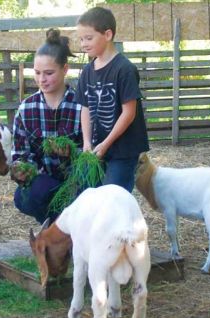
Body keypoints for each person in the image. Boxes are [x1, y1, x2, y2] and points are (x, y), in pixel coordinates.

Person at [10, 28, 82, 224]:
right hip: (45, 182)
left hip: (77, 182)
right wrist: (21, 169)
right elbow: (20, 153)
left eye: (49, 73)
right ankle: (56, 228)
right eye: (37, 73)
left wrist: (72, 152)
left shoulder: (81, 105)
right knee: (25, 195)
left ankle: (61, 230)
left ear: (65, 69)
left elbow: (95, 153)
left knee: (87, 193)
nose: (42, 79)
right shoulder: (26, 108)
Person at [75, 7, 149, 192]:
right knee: (88, 193)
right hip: (95, 146)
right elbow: (85, 108)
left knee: (114, 196)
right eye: (81, 39)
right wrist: (86, 142)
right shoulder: (87, 71)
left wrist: (106, 143)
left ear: (107, 34)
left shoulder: (124, 69)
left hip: (122, 150)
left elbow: (129, 113)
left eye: (88, 38)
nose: (83, 44)